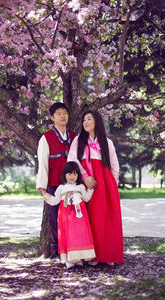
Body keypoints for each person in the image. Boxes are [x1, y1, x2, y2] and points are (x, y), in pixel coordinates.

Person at [68, 110, 123, 265]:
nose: (85, 122)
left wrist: (113, 185)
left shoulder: (107, 142)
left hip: (105, 183)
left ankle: (108, 254)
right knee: (90, 218)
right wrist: (84, 176)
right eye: (84, 119)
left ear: (96, 121)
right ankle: (93, 255)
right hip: (86, 182)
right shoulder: (79, 140)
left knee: (106, 218)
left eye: (89, 119)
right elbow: (72, 159)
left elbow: (114, 166)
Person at [36, 102, 77, 257]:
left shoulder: (75, 136)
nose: (62, 116)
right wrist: (42, 185)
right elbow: (43, 163)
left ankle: (75, 248)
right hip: (53, 183)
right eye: (58, 113)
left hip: (73, 184)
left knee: (74, 216)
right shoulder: (46, 138)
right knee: (55, 217)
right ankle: (58, 249)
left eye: (64, 112)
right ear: (52, 117)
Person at [43, 161, 96, 269]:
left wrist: (91, 189)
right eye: (69, 174)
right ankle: (69, 260)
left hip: (79, 217)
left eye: (75, 174)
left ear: (78, 175)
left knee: (79, 235)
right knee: (68, 235)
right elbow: (54, 201)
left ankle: (78, 258)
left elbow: (86, 198)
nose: (72, 176)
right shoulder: (61, 188)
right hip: (66, 217)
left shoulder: (80, 187)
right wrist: (45, 194)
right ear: (64, 175)